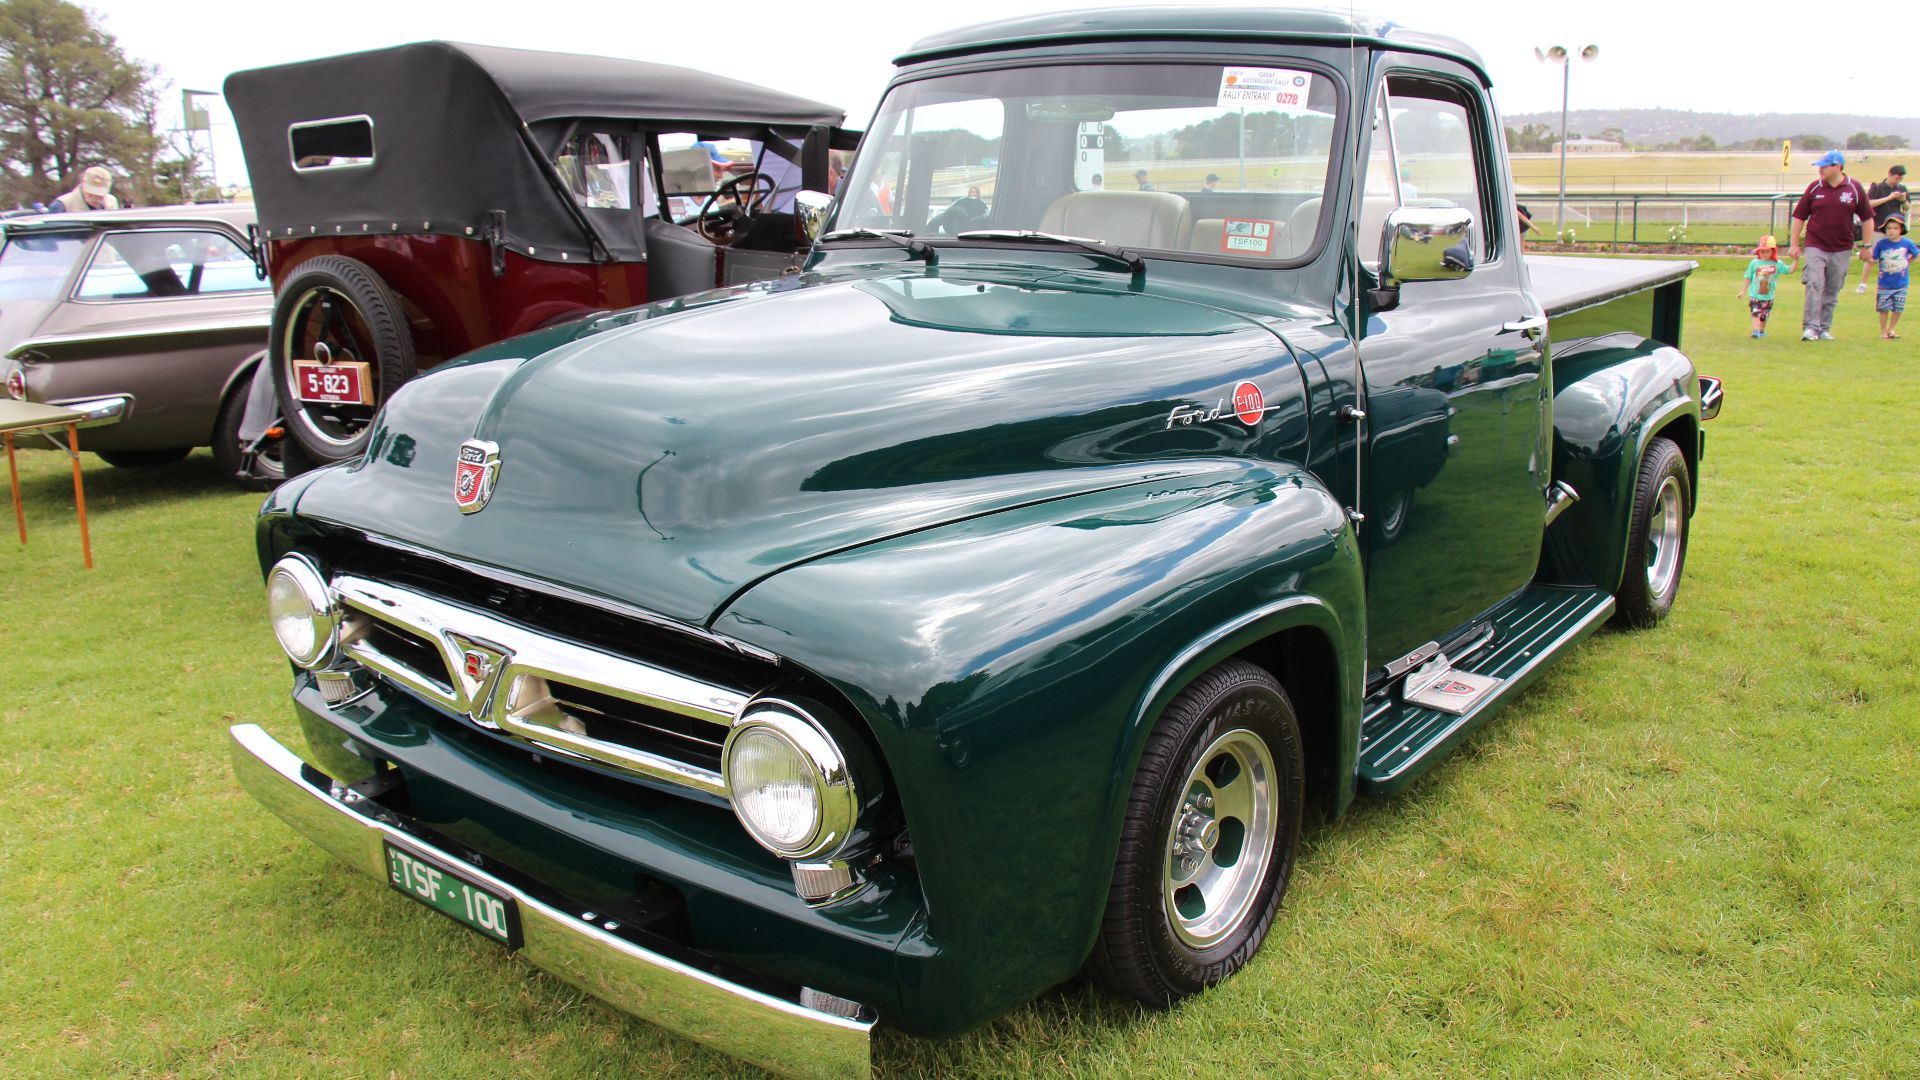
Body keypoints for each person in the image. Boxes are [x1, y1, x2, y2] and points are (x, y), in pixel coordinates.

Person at [1788, 151, 1873, 341]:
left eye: (1824, 166)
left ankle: (1824, 328)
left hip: (1842, 248)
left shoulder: (1854, 188)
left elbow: (1867, 218)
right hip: (1816, 245)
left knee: (1833, 287)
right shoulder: (1814, 188)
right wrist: (1794, 244)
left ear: (1837, 167)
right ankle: (1810, 327)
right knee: (1814, 283)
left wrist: (1867, 246)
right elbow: (1799, 216)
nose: (1820, 169)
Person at [1857, 164, 1910, 293]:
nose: (1898, 181)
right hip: (1878, 227)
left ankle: (1892, 284)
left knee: (1893, 257)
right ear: (1890, 174)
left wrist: (1902, 200)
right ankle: (1863, 284)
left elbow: (1907, 207)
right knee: (1872, 257)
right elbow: (1869, 204)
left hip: (1896, 228)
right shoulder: (1877, 187)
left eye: (1900, 179)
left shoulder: (1902, 189)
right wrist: (1889, 198)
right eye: (1896, 178)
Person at [1870, 214, 1915, 339]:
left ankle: (1891, 328)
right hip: (1884, 284)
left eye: (1895, 228)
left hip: (1901, 283)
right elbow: (1873, 259)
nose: (1892, 231)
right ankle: (1883, 331)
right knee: (1884, 309)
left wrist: (1907, 262)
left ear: (1901, 229)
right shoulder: (1881, 244)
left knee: (1898, 308)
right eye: (1889, 228)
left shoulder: (1907, 243)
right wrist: (1868, 258)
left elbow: (1916, 254)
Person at [1741, 234, 1795, 338]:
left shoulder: (1777, 264)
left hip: (1769, 296)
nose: (1764, 254)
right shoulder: (1754, 263)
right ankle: (1756, 331)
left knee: (1764, 316)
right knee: (1755, 312)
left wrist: (1796, 260)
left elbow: (1789, 270)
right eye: (1762, 251)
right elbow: (1748, 277)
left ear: (1773, 251)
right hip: (1755, 295)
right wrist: (1743, 290)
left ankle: (1761, 331)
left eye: (1767, 251)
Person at [53, 165, 119, 212]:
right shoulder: (63, 205)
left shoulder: (112, 203)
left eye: (99, 196)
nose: (94, 198)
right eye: (90, 194)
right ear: (82, 185)